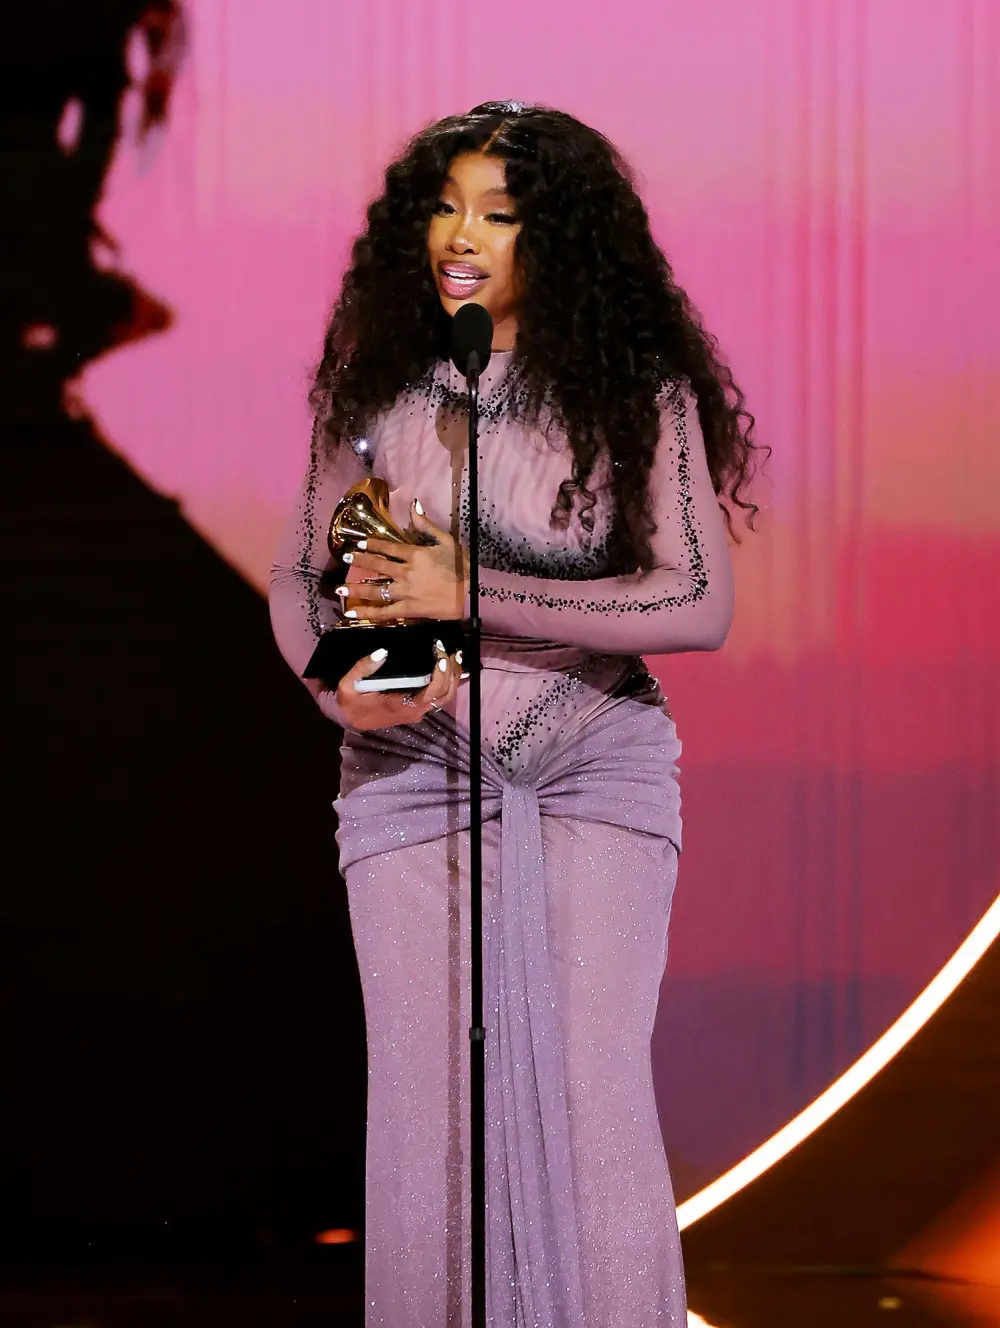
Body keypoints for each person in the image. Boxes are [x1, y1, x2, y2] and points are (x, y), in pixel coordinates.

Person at [270, 101, 760, 1328]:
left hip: (591, 767)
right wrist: (342, 682)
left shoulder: (634, 394)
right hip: (408, 775)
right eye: (445, 205)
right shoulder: (377, 393)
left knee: (587, 1102)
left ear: (565, 241)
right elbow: (297, 578)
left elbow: (696, 600)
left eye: (498, 212)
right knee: (429, 1118)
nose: (461, 235)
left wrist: (468, 589)